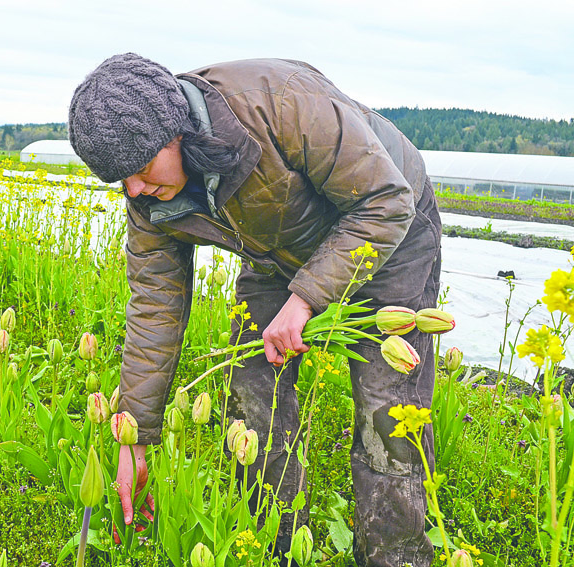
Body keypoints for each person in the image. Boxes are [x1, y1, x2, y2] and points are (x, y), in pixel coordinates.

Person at [68, 53, 441, 567]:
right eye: (120, 181)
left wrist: (306, 298)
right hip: (278, 251)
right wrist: (136, 435)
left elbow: (385, 202)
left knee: (388, 413)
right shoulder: (149, 200)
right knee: (251, 395)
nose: (133, 189)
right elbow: (154, 308)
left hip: (389, 228)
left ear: (176, 134)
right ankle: (274, 548)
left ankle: (395, 556)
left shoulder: (282, 103)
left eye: (140, 170)